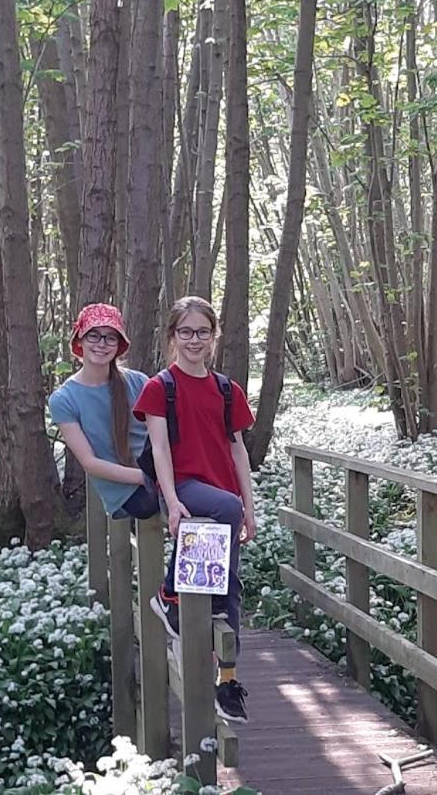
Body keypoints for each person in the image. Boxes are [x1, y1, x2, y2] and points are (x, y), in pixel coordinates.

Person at [133, 296, 256, 724]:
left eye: (202, 331)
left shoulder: (227, 389)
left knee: (229, 596)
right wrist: (171, 502)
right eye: (185, 332)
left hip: (225, 500)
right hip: (188, 487)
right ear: (172, 337)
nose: (194, 339)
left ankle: (226, 682)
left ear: (213, 336)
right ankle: (169, 596)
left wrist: (250, 509)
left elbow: (238, 450)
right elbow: (161, 448)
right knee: (225, 508)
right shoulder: (159, 387)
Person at [49, 303, 156, 520]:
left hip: (158, 467)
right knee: (160, 504)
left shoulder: (138, 381)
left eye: (110, 337)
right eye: (94, 336)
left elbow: (161, 434)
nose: (102, 344)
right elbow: (90, 463)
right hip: (127, 490)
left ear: (118, 345)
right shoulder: (63, 399)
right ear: (80, 340)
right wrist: (149, 479)